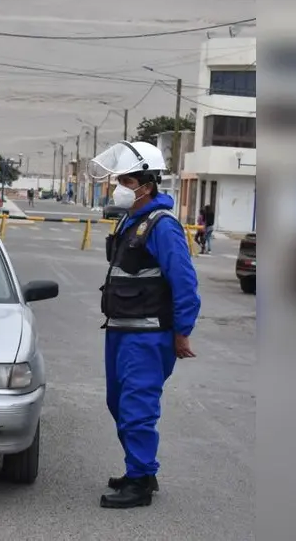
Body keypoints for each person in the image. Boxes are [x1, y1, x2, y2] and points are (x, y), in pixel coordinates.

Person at [89, 140, 201, 509]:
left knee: (137, 408)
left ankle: (139, 481)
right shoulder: (131, 221)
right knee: (118, 403)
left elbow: (184, 282)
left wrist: (182, 331)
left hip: (149, 335)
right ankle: (141, 470)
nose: (118, 187)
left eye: (126, 181)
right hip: (121, 329)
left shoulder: (162, 226)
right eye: (118, 180)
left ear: (147, 185)